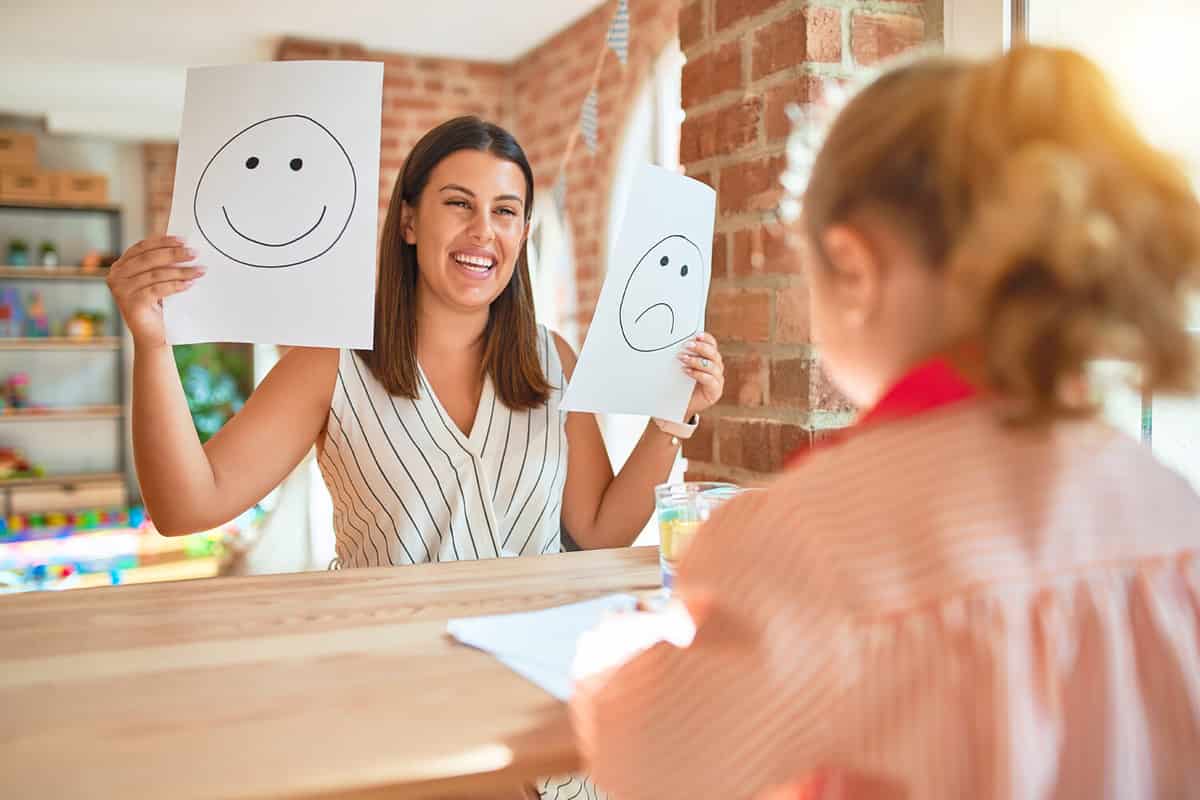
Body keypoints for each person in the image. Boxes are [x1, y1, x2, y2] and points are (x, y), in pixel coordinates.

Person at [570, 46, 1200, 800]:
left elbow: (650, 765)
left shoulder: (810, 538)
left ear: (854, 268)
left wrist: (625, 645)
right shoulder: (1169, 506)